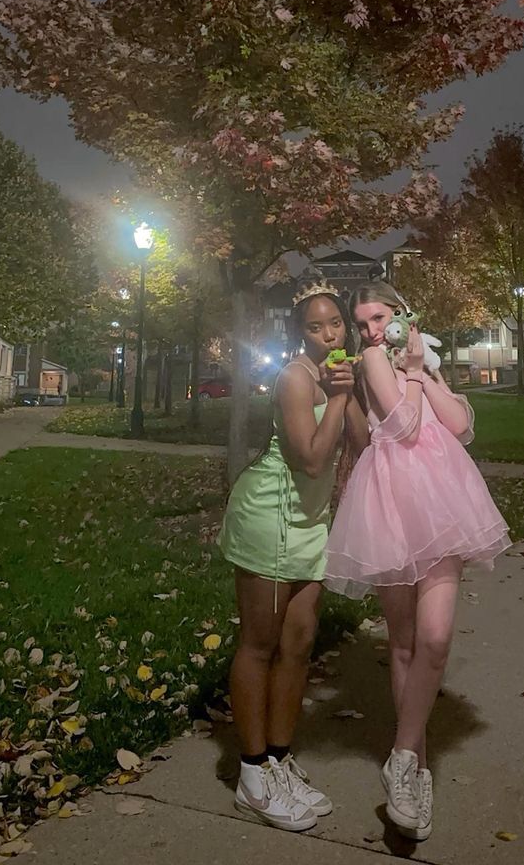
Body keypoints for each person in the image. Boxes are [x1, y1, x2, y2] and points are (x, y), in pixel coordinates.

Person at [325, 281, 511, 841]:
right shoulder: (375, 360)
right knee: (403, 641)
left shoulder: (418, 356)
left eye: (377, 318)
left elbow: (458, 425)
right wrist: (406, 371)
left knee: (435, 639)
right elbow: (402, 426)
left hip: (443, 500)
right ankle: (416, 774)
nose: (370, 331)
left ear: (403, 313)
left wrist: (426, 372)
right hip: (390, 499)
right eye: (362, 324)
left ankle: (401, 755)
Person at [218, 275, 369, 833]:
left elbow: (363, 445)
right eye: (315, 325)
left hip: (311, 523)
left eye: (336, 324)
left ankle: (279, 759)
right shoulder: (293, 378)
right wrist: (338, 396)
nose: (328, 333)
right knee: (260, 643)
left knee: (299, 643)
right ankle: (252, 773)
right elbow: (310, 460)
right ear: (299, 331)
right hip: (271, 516)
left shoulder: (334, 377)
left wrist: (347, 393)